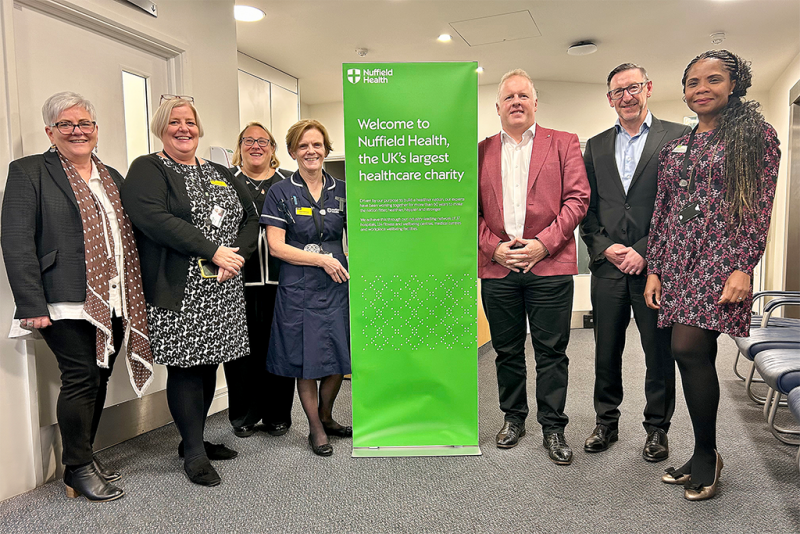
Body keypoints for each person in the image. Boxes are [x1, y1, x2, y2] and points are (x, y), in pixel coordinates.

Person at [1, 92, 153, 501]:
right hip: (63, 299)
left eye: (84, 123)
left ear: (96, 130)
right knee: (82, 377)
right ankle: (78, 468)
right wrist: (31, 304)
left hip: (114, 298)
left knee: (99, 376)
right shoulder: (29, 171)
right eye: (66, 124)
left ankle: (82, 457)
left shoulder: (112, 176)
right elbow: (16, 239)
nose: (77, 131)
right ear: (50, 131)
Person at [645, 50, 780, 501]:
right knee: (692, 354)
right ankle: (704, 452)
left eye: (713, 79)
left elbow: (759, 205)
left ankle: (707, 454)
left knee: (687, 348)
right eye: (692, 82)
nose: (701, 88)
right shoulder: (676, 147)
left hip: (721, 261)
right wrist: (655, 268)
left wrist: (744, 265)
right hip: (678, 261)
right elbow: (663, 211)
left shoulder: (755, 136)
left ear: (734, 84)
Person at [120, 96, 258, 486]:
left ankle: (191, 440)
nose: (184, 129)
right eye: (174, 122)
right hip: (179, 288)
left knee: (210, 362)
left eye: (190, 122)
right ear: (161, 129)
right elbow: (152, 217)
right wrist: (212, 250)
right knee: (185, 367)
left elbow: (250, 217)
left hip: (223, 285)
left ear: (199, 129)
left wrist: (235, 257)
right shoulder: (148, 168)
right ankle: (195, 454)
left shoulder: (219, 171)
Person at [478, 69, 590, 465]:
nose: (516, 102)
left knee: (551, 353)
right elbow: (466, 210)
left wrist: (543, 244)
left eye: (523, 95)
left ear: (535, 103)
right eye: (509, 97)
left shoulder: (563, 142)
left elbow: (577, 199)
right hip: (499, 268)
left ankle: (553, 427)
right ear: (498, 107)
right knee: (506, 351)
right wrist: (493, 249)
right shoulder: (479, 151)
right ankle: (513, 418)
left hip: (550, 266)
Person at [580, 63, 690, 461]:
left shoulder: (678, 137)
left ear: (648, 88)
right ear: (609, 99)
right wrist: (606, 247)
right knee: (605, 350)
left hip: (654, 269)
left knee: (658, 352)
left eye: (633, 87)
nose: (627, 96)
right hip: (608, 266)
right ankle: (605, 423)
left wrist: (645, 249)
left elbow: (682, 205)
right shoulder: (595, 146)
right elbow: (586, 208)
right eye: (618, 91)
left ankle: (657, 429)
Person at [261, 119, 351, 457]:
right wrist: (321, 260)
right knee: (306, 359)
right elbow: (276, 247)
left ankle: (326, 415)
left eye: (316, 145)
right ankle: (315, 427)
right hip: (298, 287)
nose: (310, 151)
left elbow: (362, 234)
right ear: (292, 151)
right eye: (303, 145)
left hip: (338, 285)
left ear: (326, 149)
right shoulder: (280, 192)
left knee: (338, 356)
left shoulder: (343, 190)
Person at [222, 122, 296, 438]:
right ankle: (244, 416)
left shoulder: (288, 183)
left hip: (283, 281)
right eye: (249, 140)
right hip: (239, 281)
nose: (256, 146)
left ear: (273, 148)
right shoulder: (226, 181)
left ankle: (278, 415)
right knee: (241, 353)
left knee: (280, 347)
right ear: (240, 146)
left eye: (263, 141)